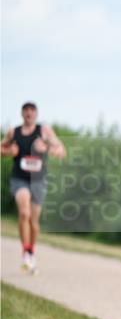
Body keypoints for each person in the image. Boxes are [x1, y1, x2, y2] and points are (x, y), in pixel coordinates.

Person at [1, 102, 67, 273]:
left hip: (38, 181)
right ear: (22, 114)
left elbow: (60, 148)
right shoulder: (13, 132)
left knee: (34, 221)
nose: (29, 113)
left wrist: (53, 149)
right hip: (19, 179)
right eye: (26, 111)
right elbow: (1, 148)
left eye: (32, 111)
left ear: (36, 114)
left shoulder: (43, 131)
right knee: (24, 213)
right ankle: (25, 251)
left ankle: (31, 250)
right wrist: (9, 152)